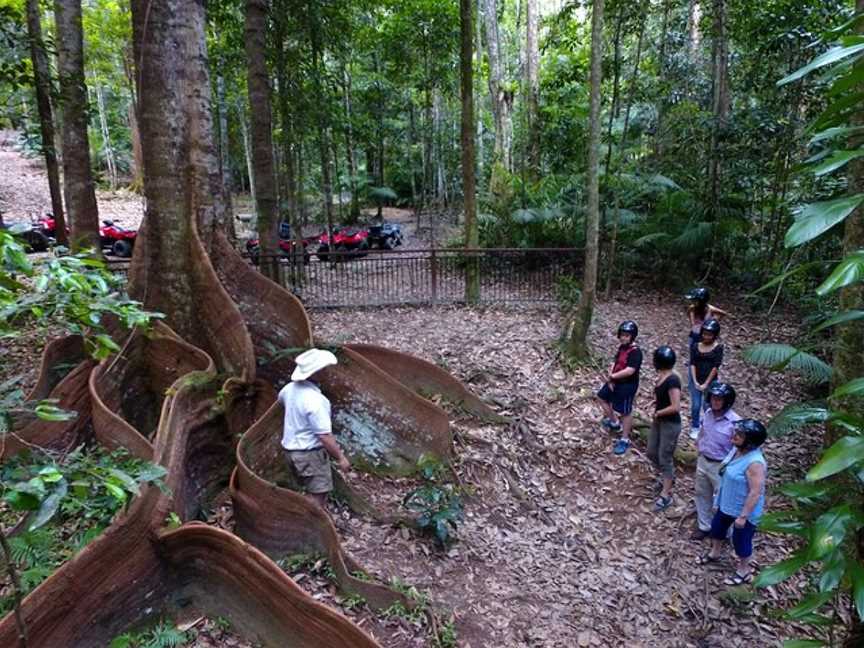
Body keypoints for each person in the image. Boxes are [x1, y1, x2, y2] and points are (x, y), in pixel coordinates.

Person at [697, 419, 768, 586]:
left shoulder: (755, 463)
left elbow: (755, 492)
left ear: (749, 442)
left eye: (740, 435)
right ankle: (714, 553)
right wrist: (718, 501)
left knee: (741, 540)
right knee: (717, 529)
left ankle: (744, 570)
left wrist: (743, 517)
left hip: (743, 511)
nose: (734, 435)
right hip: (726, 504)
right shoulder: (736, 451)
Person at [278, 348, 351, 508]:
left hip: (290, 452)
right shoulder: (316, 401)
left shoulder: (289, 389)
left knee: (306, 490)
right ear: (316, 373)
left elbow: (281, 401)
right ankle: (304, 525)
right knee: (317, 497)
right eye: (324, 369)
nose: (328, 372)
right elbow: (324, 436)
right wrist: (340, 458)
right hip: (309, 455)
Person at [691, 382, 740, 541]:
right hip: (704, 460)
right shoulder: (708, 413)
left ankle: (724, 532)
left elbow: (738, 447)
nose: (715, 401)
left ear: (727, 401)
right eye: (713, 398)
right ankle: (704, 526)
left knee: (723, 500)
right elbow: (703, 431)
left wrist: (729, 465)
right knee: (701, 494)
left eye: (719, 399)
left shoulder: (735, 422)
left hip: (721, 465)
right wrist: (699, 444)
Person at [597, 320, 642, 456]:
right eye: (622, 335)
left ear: (632, 337)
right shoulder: (622, 348)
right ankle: (614, 422)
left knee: (625, 411)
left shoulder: (636, 352)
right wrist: (611, 376)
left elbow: (630, 370)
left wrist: (613, 376)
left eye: (627, 335)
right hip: (615, 381)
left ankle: (624, 439)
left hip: (627, 385)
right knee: (602, 397)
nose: (624, 337)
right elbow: (616, 362)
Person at [646, 346, 682, 512]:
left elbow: (675, 406)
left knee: (665, 456)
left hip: (670, 424)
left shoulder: (673, 380)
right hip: (659, 421)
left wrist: (659, 412)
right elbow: (662, 399)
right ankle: (666, 478)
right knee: (652, 452)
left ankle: (666, 494)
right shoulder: (662, 377)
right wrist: (654, 405)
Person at [688, 318, 724, 439]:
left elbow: (715, 367)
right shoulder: (695, 346)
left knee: (707, 405)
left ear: (714, 335)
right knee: (695, 405)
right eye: (704, 333)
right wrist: (695, 380)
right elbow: (692, 363)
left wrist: (706, 384)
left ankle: (707, 427)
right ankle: (695, 426)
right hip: (696, 378)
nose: (706, 336)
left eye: (709, 334)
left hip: (710, 380)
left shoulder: (718, 348)